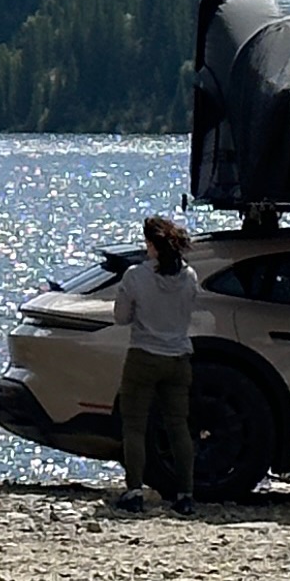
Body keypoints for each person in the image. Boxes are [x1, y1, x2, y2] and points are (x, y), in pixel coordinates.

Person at [107, 214, 204, 512]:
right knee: (178, 426)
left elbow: (121, 317)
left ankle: (135, 490)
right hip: (178, 357)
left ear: (151, 245)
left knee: (134, 425)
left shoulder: (136, 276)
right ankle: (185, 494)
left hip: (144, 355)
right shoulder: (188, 276)